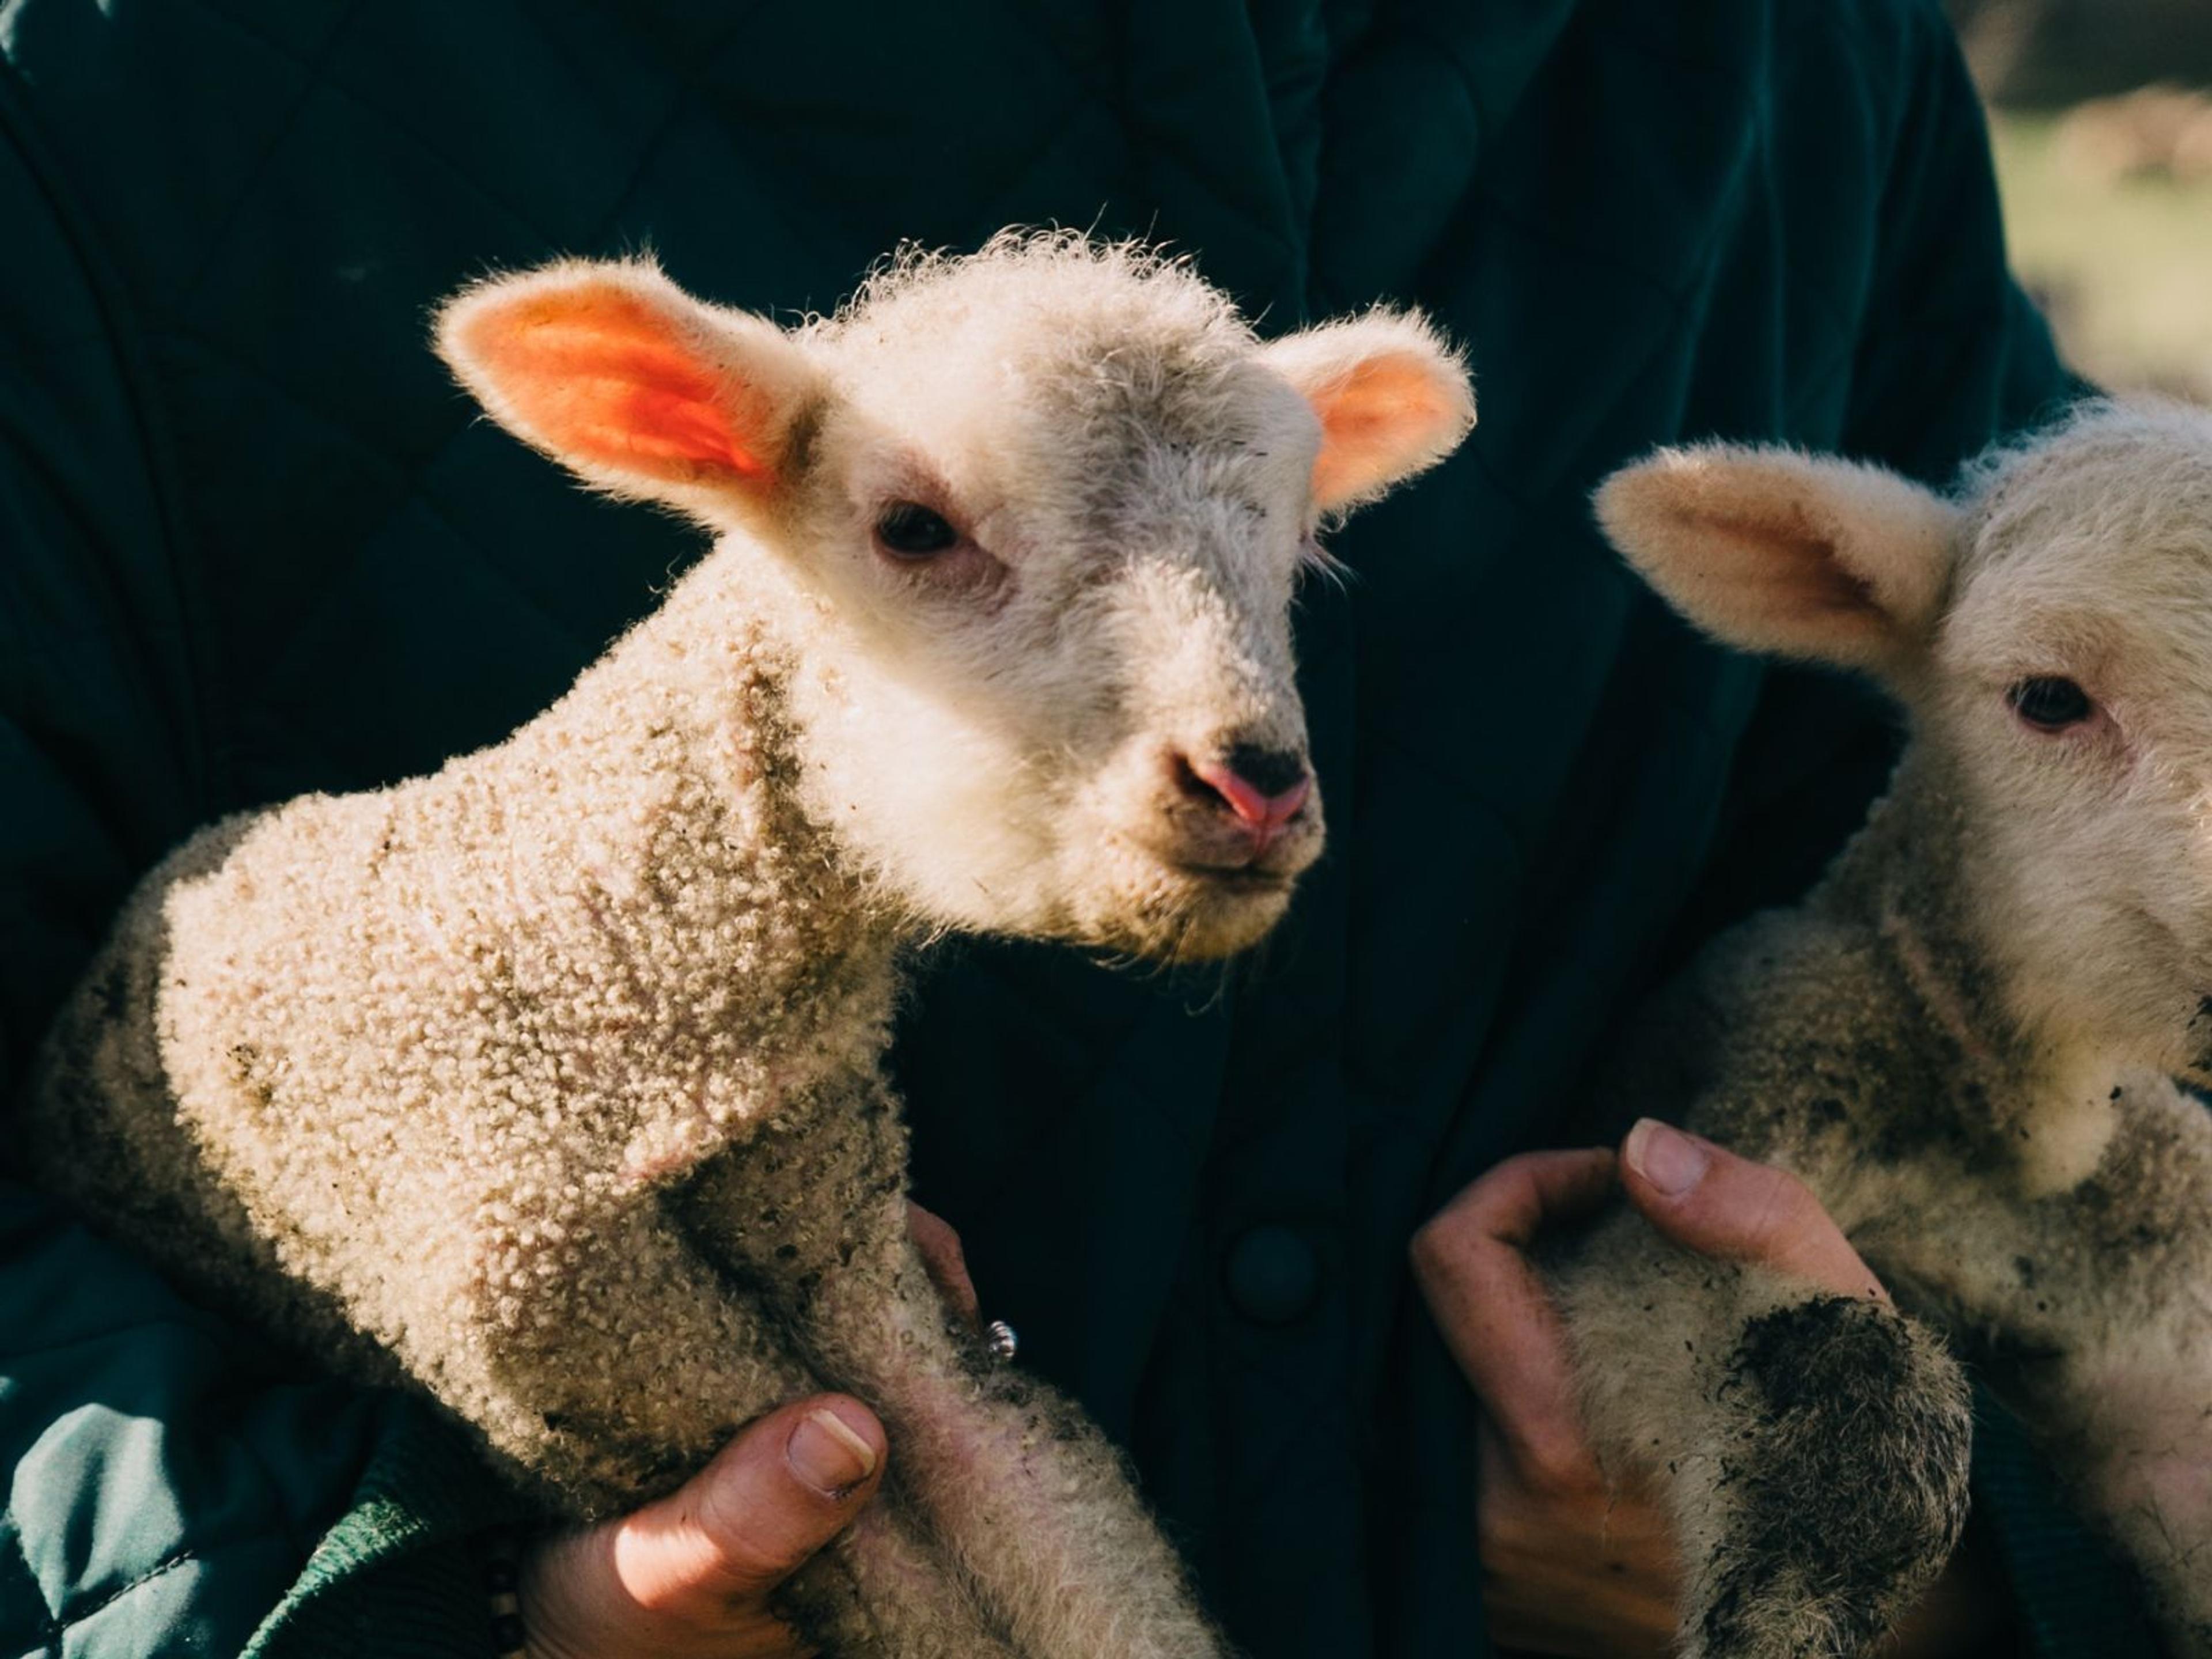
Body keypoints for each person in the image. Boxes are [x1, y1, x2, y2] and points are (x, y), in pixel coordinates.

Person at [0, 0, 2155, 1654]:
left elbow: (2099, 937)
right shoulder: (140, 86)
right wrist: (415, 1601)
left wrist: (1954, 1545)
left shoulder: (1776, 58)